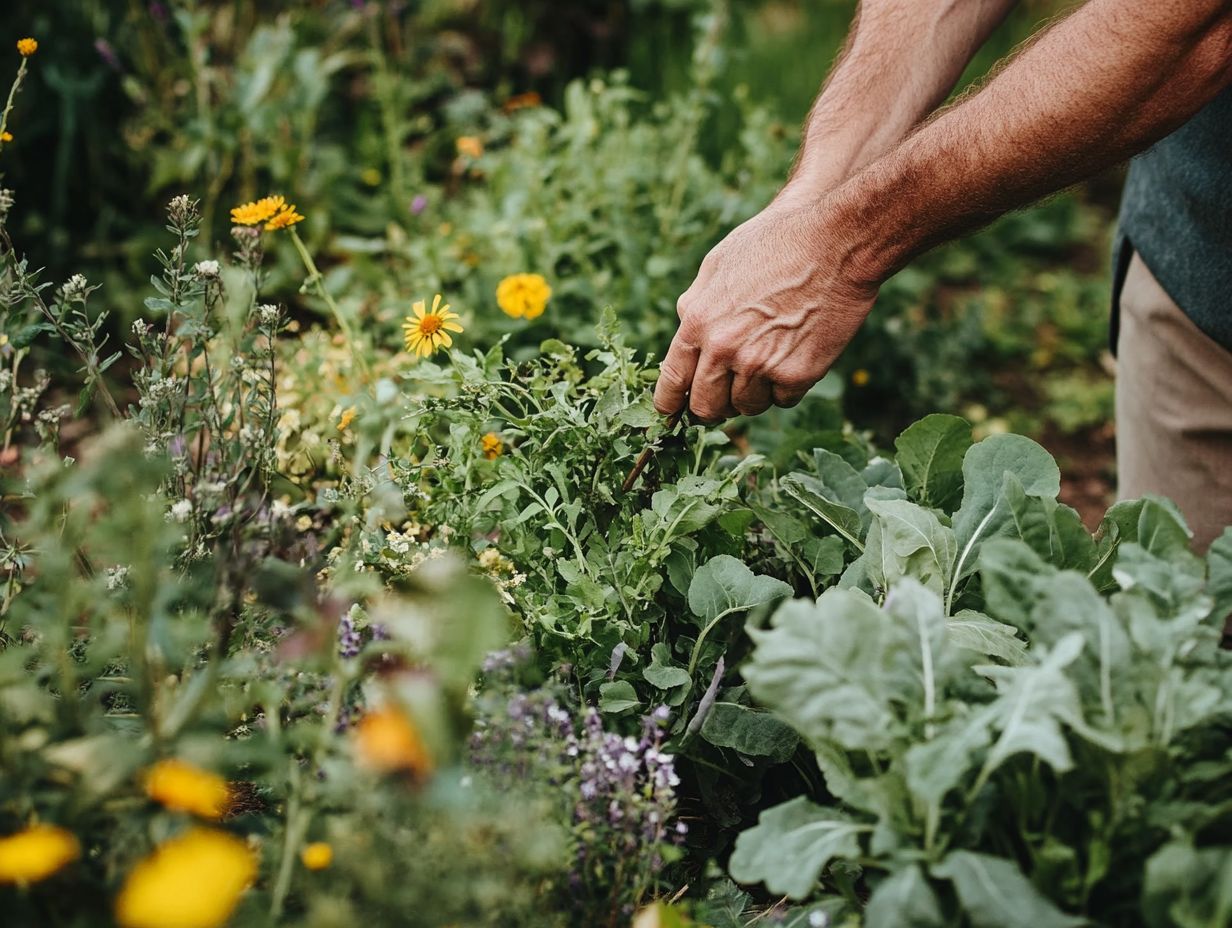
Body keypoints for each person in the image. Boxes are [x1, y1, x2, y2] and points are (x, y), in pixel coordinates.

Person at [653, 0, 1232, 551]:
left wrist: (841, 249)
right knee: (1182, 619)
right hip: (1195, 268)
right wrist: (808, 205)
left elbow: (1188, 32)